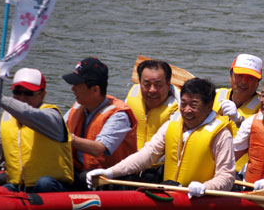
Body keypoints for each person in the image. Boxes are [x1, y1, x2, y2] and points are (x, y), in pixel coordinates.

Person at [86, 78, 235, 197]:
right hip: (170, 192)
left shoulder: (221, 134)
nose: (187, 110)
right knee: (121, 181)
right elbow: (147, 155)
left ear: (209, 106)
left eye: (194, 105)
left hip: (198, 197)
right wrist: (110, 172)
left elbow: (227, 176)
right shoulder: (172, 125)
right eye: (183, 104)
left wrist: (205, 187)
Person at [0, 68, 73, 192]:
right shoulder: (6, 119)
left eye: (28, 93)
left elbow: (27, 113)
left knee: (43, 183)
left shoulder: (51, 116)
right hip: (19, 187)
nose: (21, 98)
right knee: (4, 189)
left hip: (52, 187)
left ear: (42, 94)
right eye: (17, 92)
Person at [63, 57, 138, 190]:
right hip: (81, 171)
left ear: (95, 90)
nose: (73, 89)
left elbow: (98, 149)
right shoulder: (78, 107)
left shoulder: (118, 114)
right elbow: (59, 126)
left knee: (84, 177)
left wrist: (67, 138)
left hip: (111, 178)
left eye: (78, 85)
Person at [125, 59, 179, 182]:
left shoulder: (179, 108)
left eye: (158, 85)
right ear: (139, 83)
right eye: (147, 84)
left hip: (158, 168)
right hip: (130, 162)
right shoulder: (132, 95)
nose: (152, 90)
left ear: (168, 83)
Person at [212, 53, 262, 173]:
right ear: (231, 76)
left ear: (258, 82)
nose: (244, 82)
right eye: (240, 75)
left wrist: (239, 120)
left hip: (239, 172)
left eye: (250, 77)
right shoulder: (214, 94)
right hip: (210, 162)